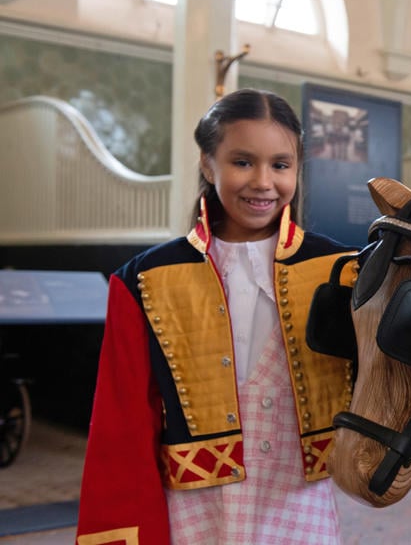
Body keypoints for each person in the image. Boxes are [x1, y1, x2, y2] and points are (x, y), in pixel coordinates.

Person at [76, 89, 356, 544]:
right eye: (242, 162)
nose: (264, 182)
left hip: (300, 504)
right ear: (208, 164)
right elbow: (122, 421)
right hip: (193, 511)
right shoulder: (145, 280)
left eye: (281, 165)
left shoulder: (342, 271)